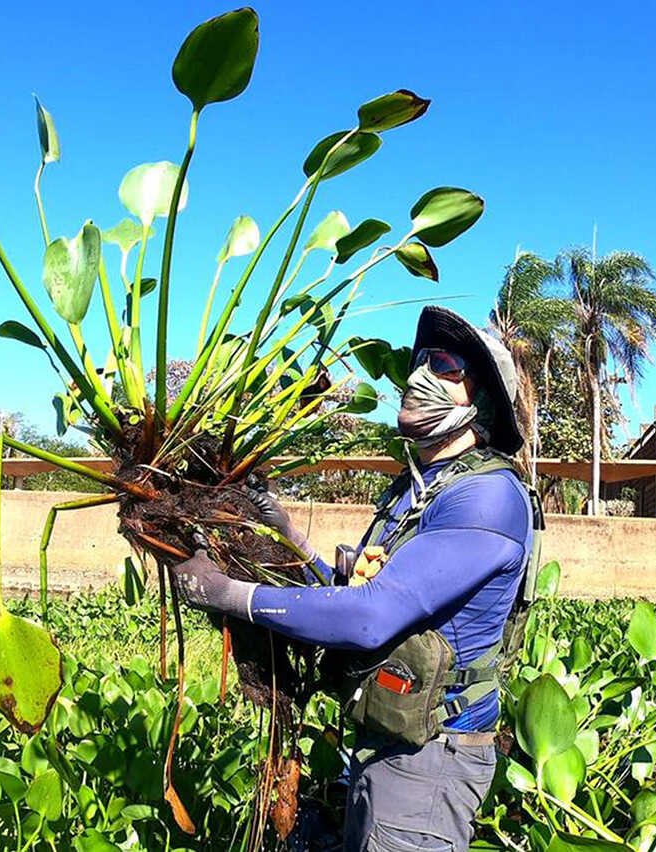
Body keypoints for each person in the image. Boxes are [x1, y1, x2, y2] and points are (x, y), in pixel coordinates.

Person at [170, 306, 540, 852]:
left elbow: (370, 617)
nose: (419, 375)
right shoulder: (415, 488)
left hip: (431, 756)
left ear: (480, 402)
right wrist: (290, 534)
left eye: (444, 365)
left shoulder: (486, 497)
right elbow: (357, 592)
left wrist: (233, 596)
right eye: (420, 360)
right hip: (379, 737)